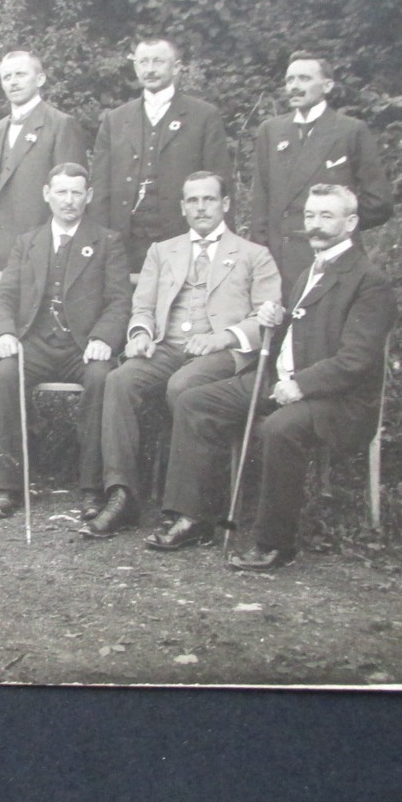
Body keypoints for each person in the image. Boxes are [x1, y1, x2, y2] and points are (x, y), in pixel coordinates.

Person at [155, 184, 397, 569]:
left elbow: (357, 360)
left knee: (280, 429)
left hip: (336, 399)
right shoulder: (308, 272)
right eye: (311, 216)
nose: (315, 225)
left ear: (351, 223)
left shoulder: (369, 281)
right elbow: (301, 334)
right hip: (279, 381)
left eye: (327, 216)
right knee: (194, 401)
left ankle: (274, 543)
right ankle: (195, 516)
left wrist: (301, 385)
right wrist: (275, 322)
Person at [85, 172, 282, 539]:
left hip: (223, 354)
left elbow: (266, 317)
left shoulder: (254, 255)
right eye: (192, 200)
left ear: (225, 204)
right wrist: (141, 334)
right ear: (182, 207)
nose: (201, 207)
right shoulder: (162, 251)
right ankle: (121, 494)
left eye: (209, 199)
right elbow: (141, 307)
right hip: (167, 347)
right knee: (120, 379)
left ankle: (184, 507)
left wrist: (223, 337)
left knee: (183, 385)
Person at [0, 163, 131, 519]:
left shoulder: (107, 241)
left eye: (76, 192)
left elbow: (119, 301)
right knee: (4, 375)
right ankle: (7, 486)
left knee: (102, 378)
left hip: (82, 345)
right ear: (47, 194)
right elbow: (3, 296)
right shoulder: (27, 242)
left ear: (88, 196)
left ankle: (92, 488)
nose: (69, 200)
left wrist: (103, 337)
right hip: (34, 342)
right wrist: (3, 332)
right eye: (61, 192)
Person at [86, 36, 232, 270]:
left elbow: (220, 184)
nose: (150, 69)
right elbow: (101, 188)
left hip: (182, 239)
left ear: (176, 67)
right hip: (125, 244)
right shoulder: (116, 120)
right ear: (135, 68)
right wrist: (99, 241)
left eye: (158, 62)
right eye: (143, 62)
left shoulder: (203, 116)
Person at [248, 54, 394, 288]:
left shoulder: (350, 130)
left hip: (332, 258)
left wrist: (334, 227)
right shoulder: (271, 131)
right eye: (290, 80)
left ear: (327, 85)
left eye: (304, 79)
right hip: (279, 262)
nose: (294, 87)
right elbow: (260, 204)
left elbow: (379, 203)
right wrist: (261, 256)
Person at [0, 50, 88, 269]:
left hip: (39, 251)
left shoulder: (61, 125)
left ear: (40, 79)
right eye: (6, 77)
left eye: (20, 74)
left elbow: (70, 197)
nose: (13, 82)